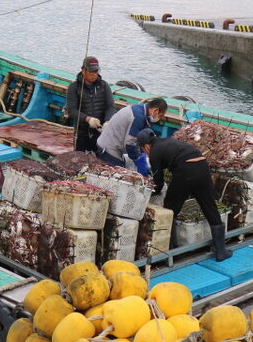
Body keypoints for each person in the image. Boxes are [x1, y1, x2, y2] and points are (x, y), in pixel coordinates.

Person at [137, 128, 232, 261]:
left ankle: (170, 250)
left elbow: (158, 182)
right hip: (203, 167)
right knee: (210, 208)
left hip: (185, 171)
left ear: (146, 146)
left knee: (170, 209)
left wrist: (152, 194)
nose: (144, 153)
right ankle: (221, 251)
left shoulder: (154, 153)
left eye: (143, 150)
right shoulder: (168, 141)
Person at [96, 97, 167, 173]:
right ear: (155, 111)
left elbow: (140, 137)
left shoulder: (141, 109)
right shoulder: (138, 118)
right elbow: (130, 144)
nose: (160, 118)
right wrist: (138, 160)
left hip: (113, 143)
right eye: (160, 116)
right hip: (108, 148)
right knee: (118, 172)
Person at [64, 56, 115, 152]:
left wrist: (107, 121)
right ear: (83, 70)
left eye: (96, 71)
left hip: (100, 132)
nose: (94, 74)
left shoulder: (104, 86)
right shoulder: (74, 87)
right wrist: (88, 119)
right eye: (91, 71)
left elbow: (110, 106)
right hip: (82, 133)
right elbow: (71, 110)